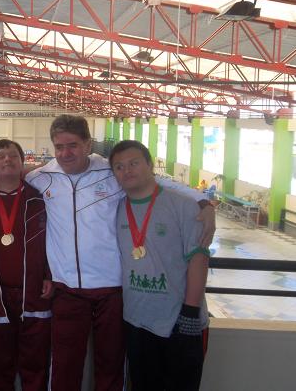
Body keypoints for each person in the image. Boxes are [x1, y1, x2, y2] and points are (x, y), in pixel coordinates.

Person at [25, 115, 215, 391]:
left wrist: (203, 202)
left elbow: (157, 182)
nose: (66, 153)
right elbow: (8, 178)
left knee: (111, 365)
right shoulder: (41, 177)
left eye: (73, 145)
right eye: (59, 147)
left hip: (113, 290)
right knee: (65, 366)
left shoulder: (110, 170)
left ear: (88, 144)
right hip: (67, 288)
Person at [109, 140, 209, 391]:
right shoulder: (116, 208)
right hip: (137, 319)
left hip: (178, 321)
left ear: (150, 165)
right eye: (119, 167)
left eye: (133, 163)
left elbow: (198, 258)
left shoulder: (183, 205)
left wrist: (190, 312)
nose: (127, 171)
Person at [0, 139, 52, 391]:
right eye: (1, 156)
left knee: (35, 364)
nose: (7, 159)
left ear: (22, 163)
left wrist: (49, 274)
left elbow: (56, 239)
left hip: (34, 293)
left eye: (13, 156)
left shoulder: (40, 199)